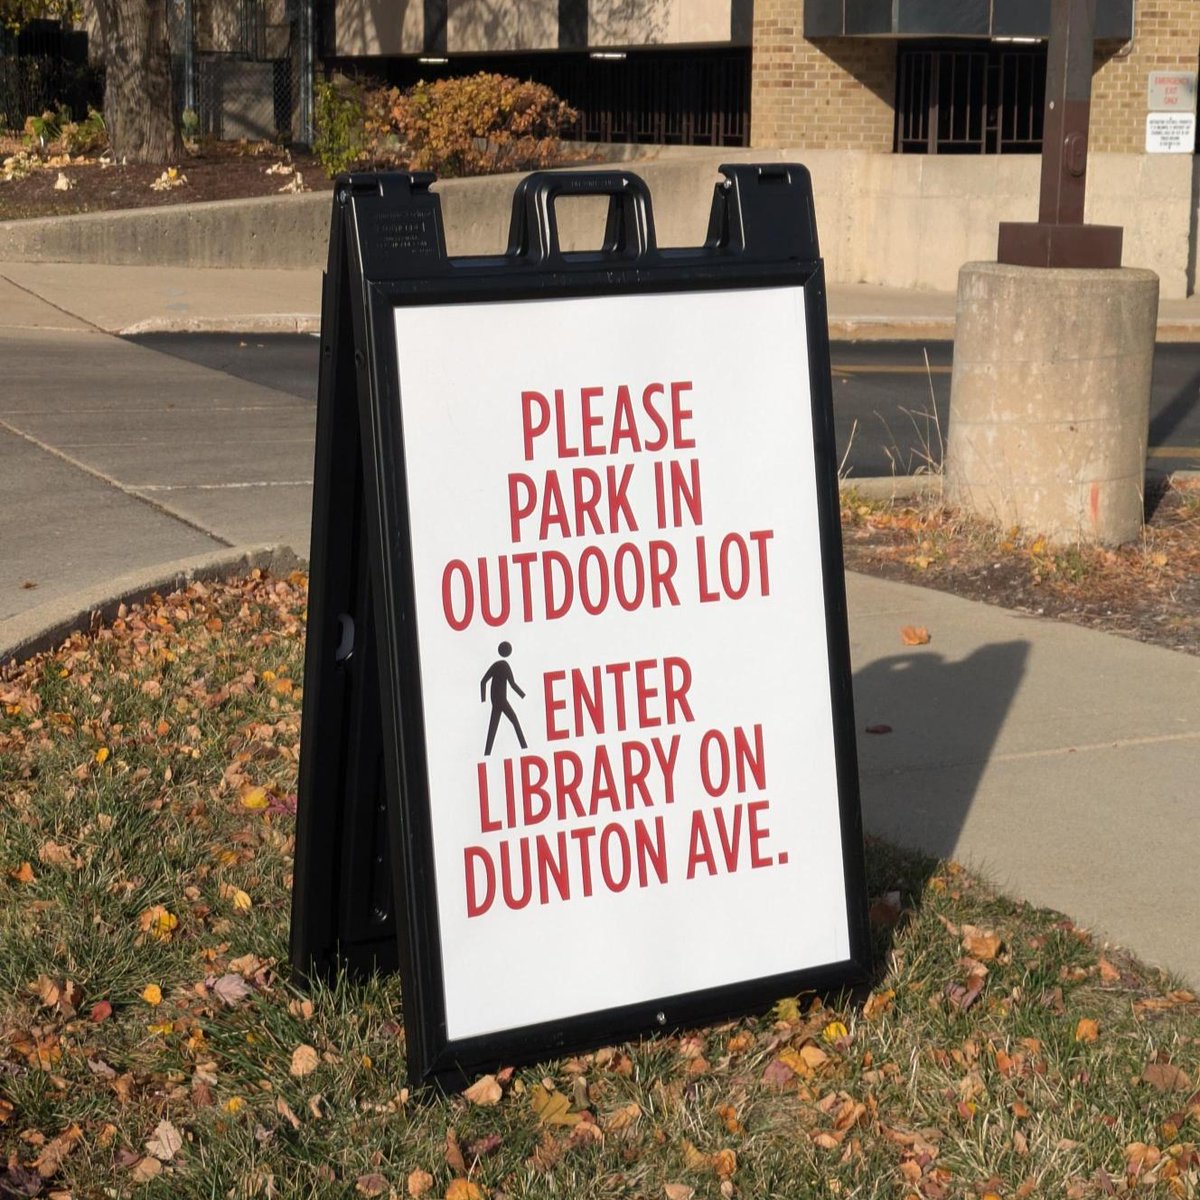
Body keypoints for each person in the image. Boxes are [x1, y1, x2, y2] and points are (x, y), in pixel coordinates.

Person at [480, 641, 527, 755]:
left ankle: (487, 753)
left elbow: (483, 682)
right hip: (501, 701)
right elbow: (512, 684)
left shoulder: (497, 665)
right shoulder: (504, 666)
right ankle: (524, 746)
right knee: (514, 720)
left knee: (493, 728)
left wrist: (484, 700)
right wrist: (523, 695)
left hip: (495, 701)